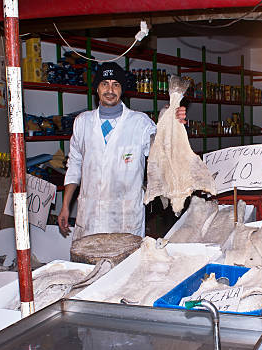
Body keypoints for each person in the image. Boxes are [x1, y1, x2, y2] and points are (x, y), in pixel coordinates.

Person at [58, 62, 186, 239]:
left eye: (115, 84)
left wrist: (172, 122)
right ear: (97, 89)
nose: (110, 89)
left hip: (125, 219)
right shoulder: (82, 122)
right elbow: (74, 166)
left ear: (121, 90)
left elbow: (162, 151)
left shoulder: (139, 122)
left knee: (125, 265)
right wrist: (65, 206)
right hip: (90, 218)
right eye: (105, 83)